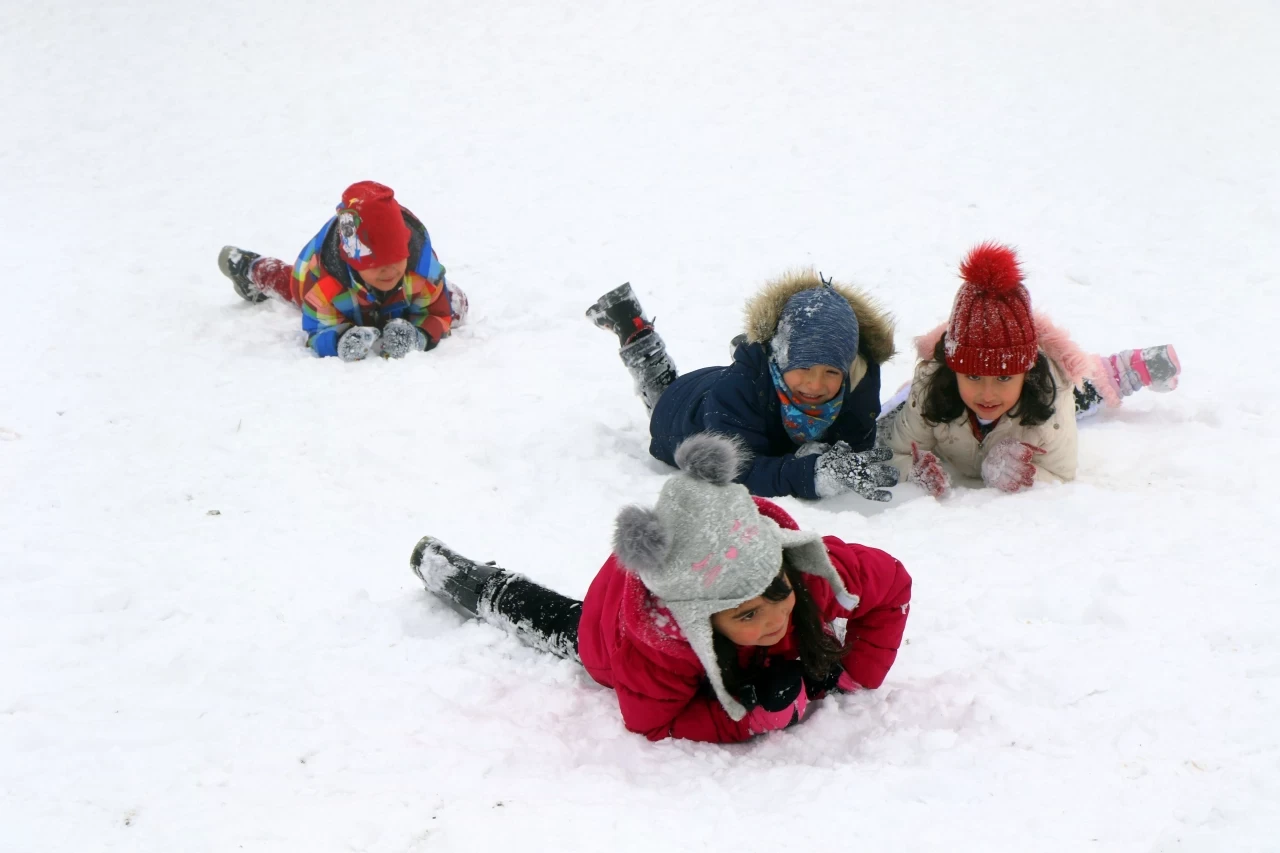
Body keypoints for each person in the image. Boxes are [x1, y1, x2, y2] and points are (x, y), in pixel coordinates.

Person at [411, 433, 912, 743]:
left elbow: (893, 587)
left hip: (688, 561)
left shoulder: (803, 569)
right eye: (745, 615)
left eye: (776, 595)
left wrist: (850, 673)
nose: (773, 620)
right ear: (701, 619)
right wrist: (749, 718)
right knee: (561, 623)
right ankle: (467, 581)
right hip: (611, 628)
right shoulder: (659, 645)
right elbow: (653, 723)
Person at [882, 242, 1182, 497]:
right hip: (942, 397)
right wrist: (915, 471)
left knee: (1082, 391)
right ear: (954, 370)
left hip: (1034, 403)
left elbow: (1061, 474)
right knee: (896, 410)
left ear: (1026, 371)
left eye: (1003, 377)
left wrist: (1024, 474)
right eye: (972, 376)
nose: (987, 394)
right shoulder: (929, 390)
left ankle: (1119, 372)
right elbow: (896, 454)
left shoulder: (1051, 397)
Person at [585, 272, 900, 501]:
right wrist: (811, 474)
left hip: (744, 389)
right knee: (662, 393)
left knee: (756, 391)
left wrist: (839, 460)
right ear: (780, 359)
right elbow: (738, 471)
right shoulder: (737, 392)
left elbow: (857, 445)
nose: (815, 384)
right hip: (686, 411)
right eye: (802, 367)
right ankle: (635, 331)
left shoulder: (859, 384)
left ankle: (751, 353)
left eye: (831, 371)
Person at [216, 180, 467, 360]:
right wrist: (339, 340)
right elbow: (316, 332)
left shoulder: (422, 273)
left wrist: (419, 335)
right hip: (329, 287)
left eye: (396, 258)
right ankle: (250, 268)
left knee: (454, 304)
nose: (389, 270)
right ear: (354, 261)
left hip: (404, 297)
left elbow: (438, 313)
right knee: (292, 288)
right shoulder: (325, 286)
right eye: (375, 264)